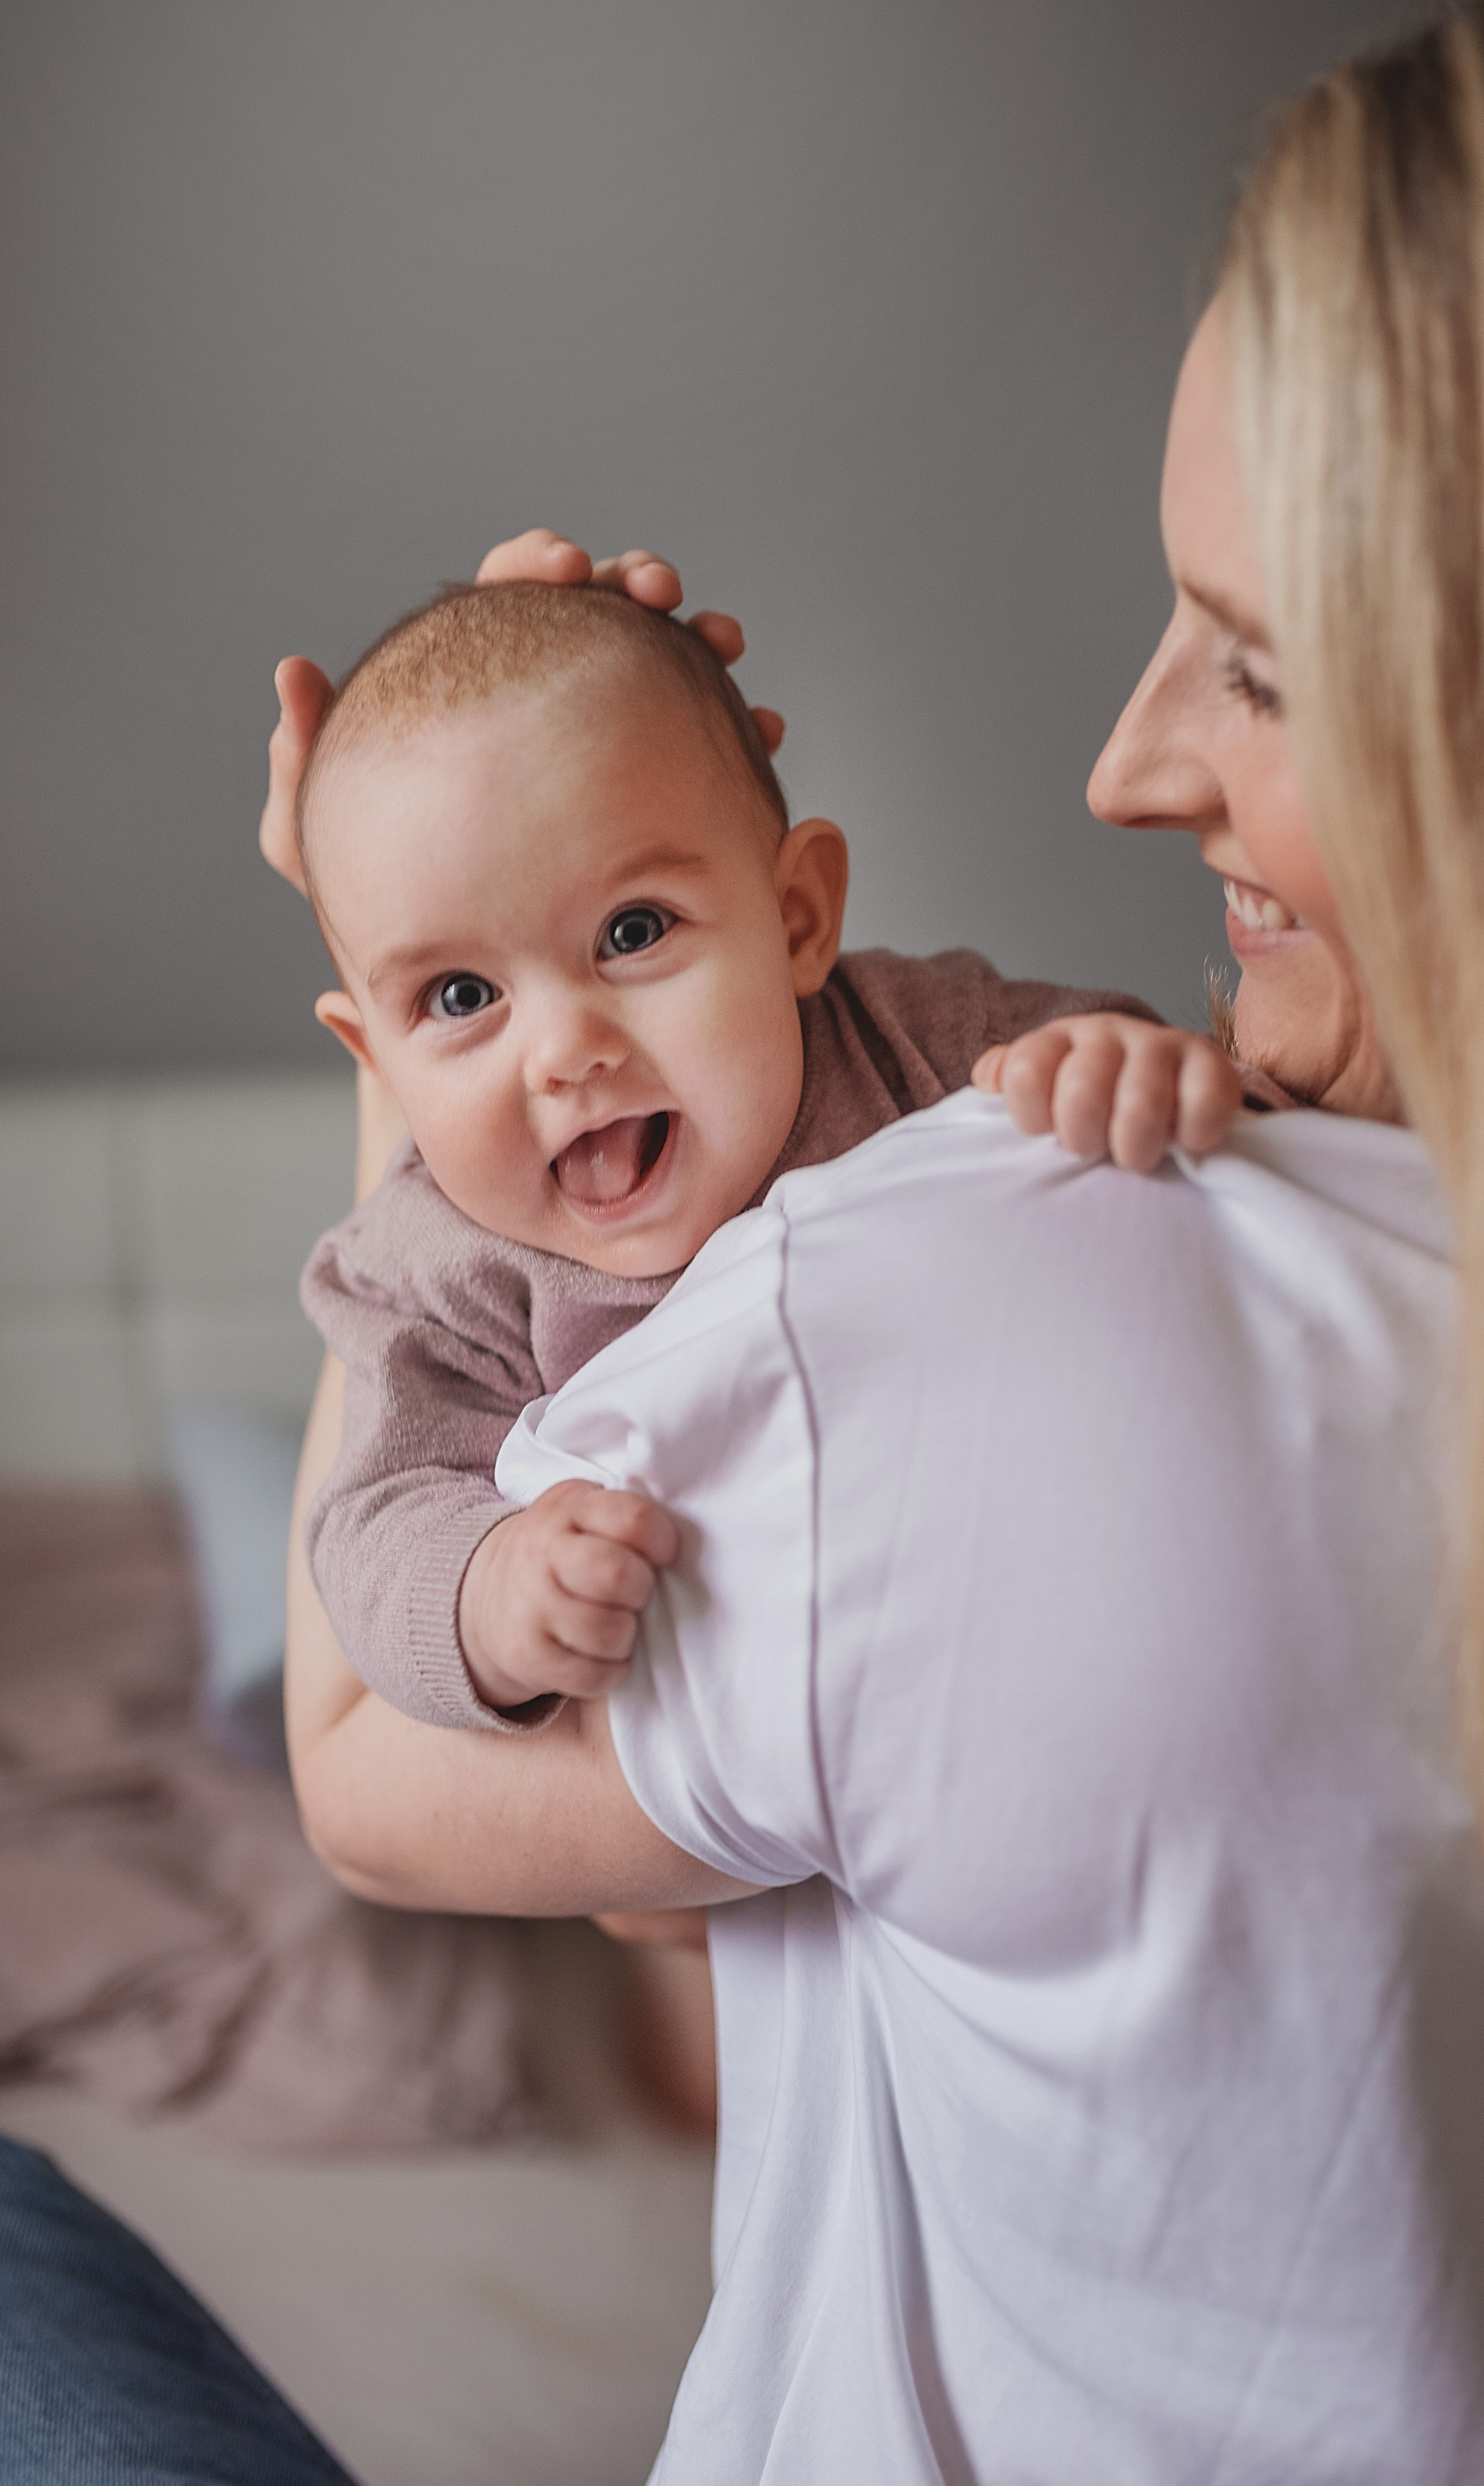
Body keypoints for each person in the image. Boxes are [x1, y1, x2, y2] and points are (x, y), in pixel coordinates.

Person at [0, 3, 1484, 2486]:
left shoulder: (955, 1282)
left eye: (1255, 659)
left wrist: (414, 1027)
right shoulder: (1194, 1238)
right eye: (464, 1001)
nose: (1126, 765)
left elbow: (356, 1770)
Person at [291, 576, 1239, 1738]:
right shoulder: (432, 1271)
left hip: (1023, 1629)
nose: (565, 1050)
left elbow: (1114, 1076)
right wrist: (488, 1588)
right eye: (459, 996)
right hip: (730, 1741)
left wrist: (1118, 1069)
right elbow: (377, 1515)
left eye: (632, 932)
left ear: (798, 918)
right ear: (379, 1062)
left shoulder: (907, 1039)